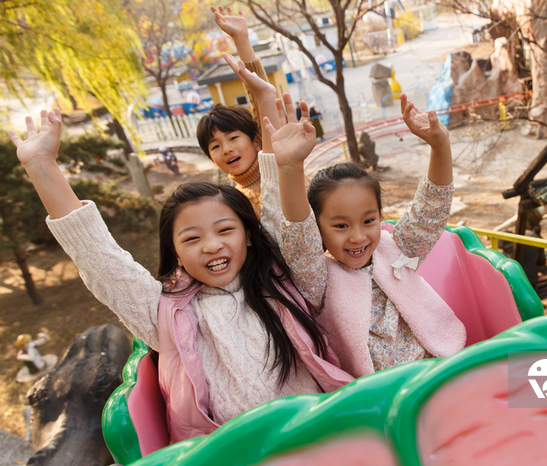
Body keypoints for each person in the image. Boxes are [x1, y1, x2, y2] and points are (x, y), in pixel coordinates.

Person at [8, 109, 353, 443]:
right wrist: (41, 166)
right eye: (191, 238)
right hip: (232, 454)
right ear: (174, 251)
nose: (211, 246)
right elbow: (102, 262)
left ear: (248, 234)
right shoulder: (168, 313)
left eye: (224, 230)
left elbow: (282, 213)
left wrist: (283, 156)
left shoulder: (278, 277)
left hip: (318, 435)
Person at [264, 94, 466, 379]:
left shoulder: (395, 248)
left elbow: (430, 209)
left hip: (439, 370)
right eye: (341, 226)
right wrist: (289, 169)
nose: (358, 236)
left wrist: (440, 146)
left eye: (369, 220)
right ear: (318, 230)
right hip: (378, 397)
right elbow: (299, 237)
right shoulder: (317, 279)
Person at [196, 7, 296, 220]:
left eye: (233, 138)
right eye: (215, 146)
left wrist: (241, 39)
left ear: (258, 141)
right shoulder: (232, 203)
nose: (226, 149)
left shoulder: (280, 162)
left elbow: (261, 98)